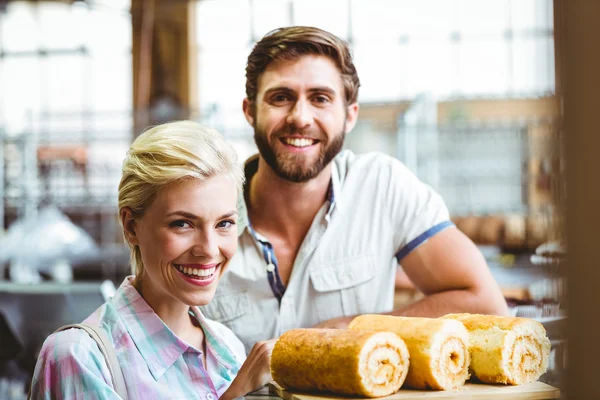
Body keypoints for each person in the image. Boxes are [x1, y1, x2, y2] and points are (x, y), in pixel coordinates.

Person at [203, 25, 510, 396]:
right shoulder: (203, 207)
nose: (300, 117)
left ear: (350, 115)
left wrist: (351, 329)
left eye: (320, 98)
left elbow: (487, 305)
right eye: (281, 97)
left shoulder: (383, 187)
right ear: (250, 111)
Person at [29, 121, 248, 399]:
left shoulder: (228, 348)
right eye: (182, 223)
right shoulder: (79, 357)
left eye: (224, 223)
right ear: (131, 226)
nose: (208, 249)